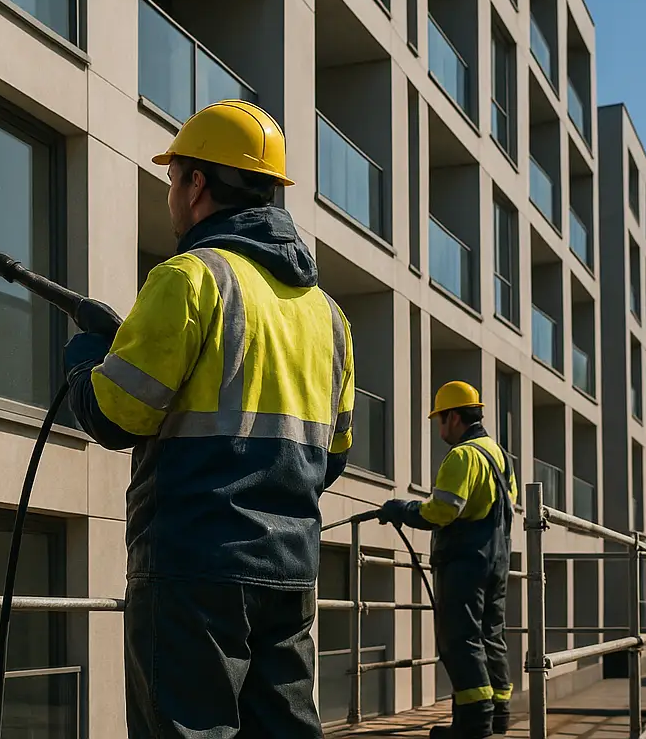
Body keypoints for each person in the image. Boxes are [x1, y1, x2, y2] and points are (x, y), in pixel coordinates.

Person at [62, 100, 355, 739]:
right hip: (288, 570)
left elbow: (116, 415)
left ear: (197, 184)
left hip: (193, 565)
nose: (171, 194)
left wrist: (85, 360)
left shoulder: (191, 277)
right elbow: (332, 458)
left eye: (173, 179)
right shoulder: (327, 315)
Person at [377, 381, 518, 739]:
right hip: (497, 559)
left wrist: (401, 509)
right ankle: (499, 713)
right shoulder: (499, 455)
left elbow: (443, 510)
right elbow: (506, 502)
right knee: (491, 635)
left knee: (461, 639)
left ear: (453, 416)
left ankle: (473, 723)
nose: (440, 428)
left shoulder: (462, 455)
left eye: (440, 420)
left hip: (465, 561)